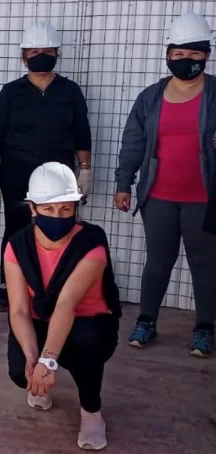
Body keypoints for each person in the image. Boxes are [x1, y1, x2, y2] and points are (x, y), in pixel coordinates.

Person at [114, 11, 216, 357]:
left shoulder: (215, 95)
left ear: (207, 54)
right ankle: (146, 321)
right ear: (168, 54)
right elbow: (133, 143)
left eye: (194, 53)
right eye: (179, 53)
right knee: (157, 261)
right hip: (158, 196)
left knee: (204, 263)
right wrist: (123, 183)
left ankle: (204, 328)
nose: (186, 60)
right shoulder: (150, 97)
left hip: (204, 197)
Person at [5, 162, 120, 451]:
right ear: (33, 208)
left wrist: (49, 360)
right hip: (41, 321)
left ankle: (92, 412)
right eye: (49, 209)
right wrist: (34, 361)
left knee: (87, 344)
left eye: (66, 209)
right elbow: (18, 309)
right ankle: (40, 382)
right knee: (20, 371)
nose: (58, 216)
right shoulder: (17, 245)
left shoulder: (92, 242)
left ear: (75, 207)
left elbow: (67, 303)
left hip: (88, 323)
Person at [0, 21, 92, 313]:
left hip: (59, 175)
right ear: (24, 57)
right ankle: (7, 287)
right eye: (34, 51)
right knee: (16, 229)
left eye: (47, 51)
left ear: (57, 54)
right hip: (16, 173)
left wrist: (85, 170)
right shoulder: (11, 92)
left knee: (59, 231)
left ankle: (55, 287)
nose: (41, 56)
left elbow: (82, 133)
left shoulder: (70, 91)